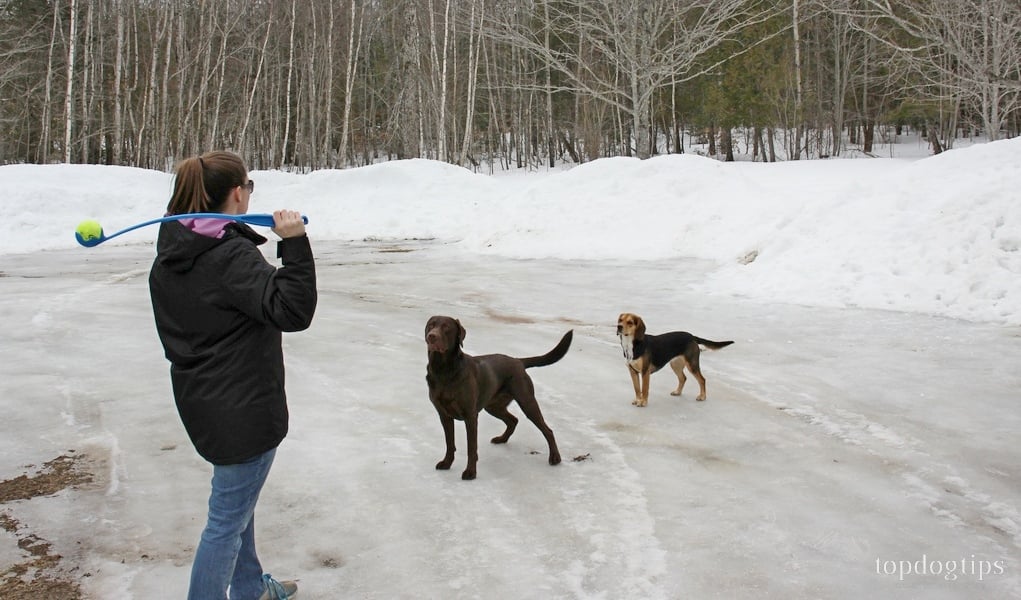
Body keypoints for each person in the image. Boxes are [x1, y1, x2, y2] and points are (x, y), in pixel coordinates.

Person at [148, 151, 317, 600]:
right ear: (238, 193)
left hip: (205, 401)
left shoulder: (176, 247)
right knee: (225, 523)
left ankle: (249, 589)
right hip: (241, 408)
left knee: (238, 507)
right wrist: (294, 243)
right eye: (249, 186)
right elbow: (292, 310)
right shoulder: (226, 255)